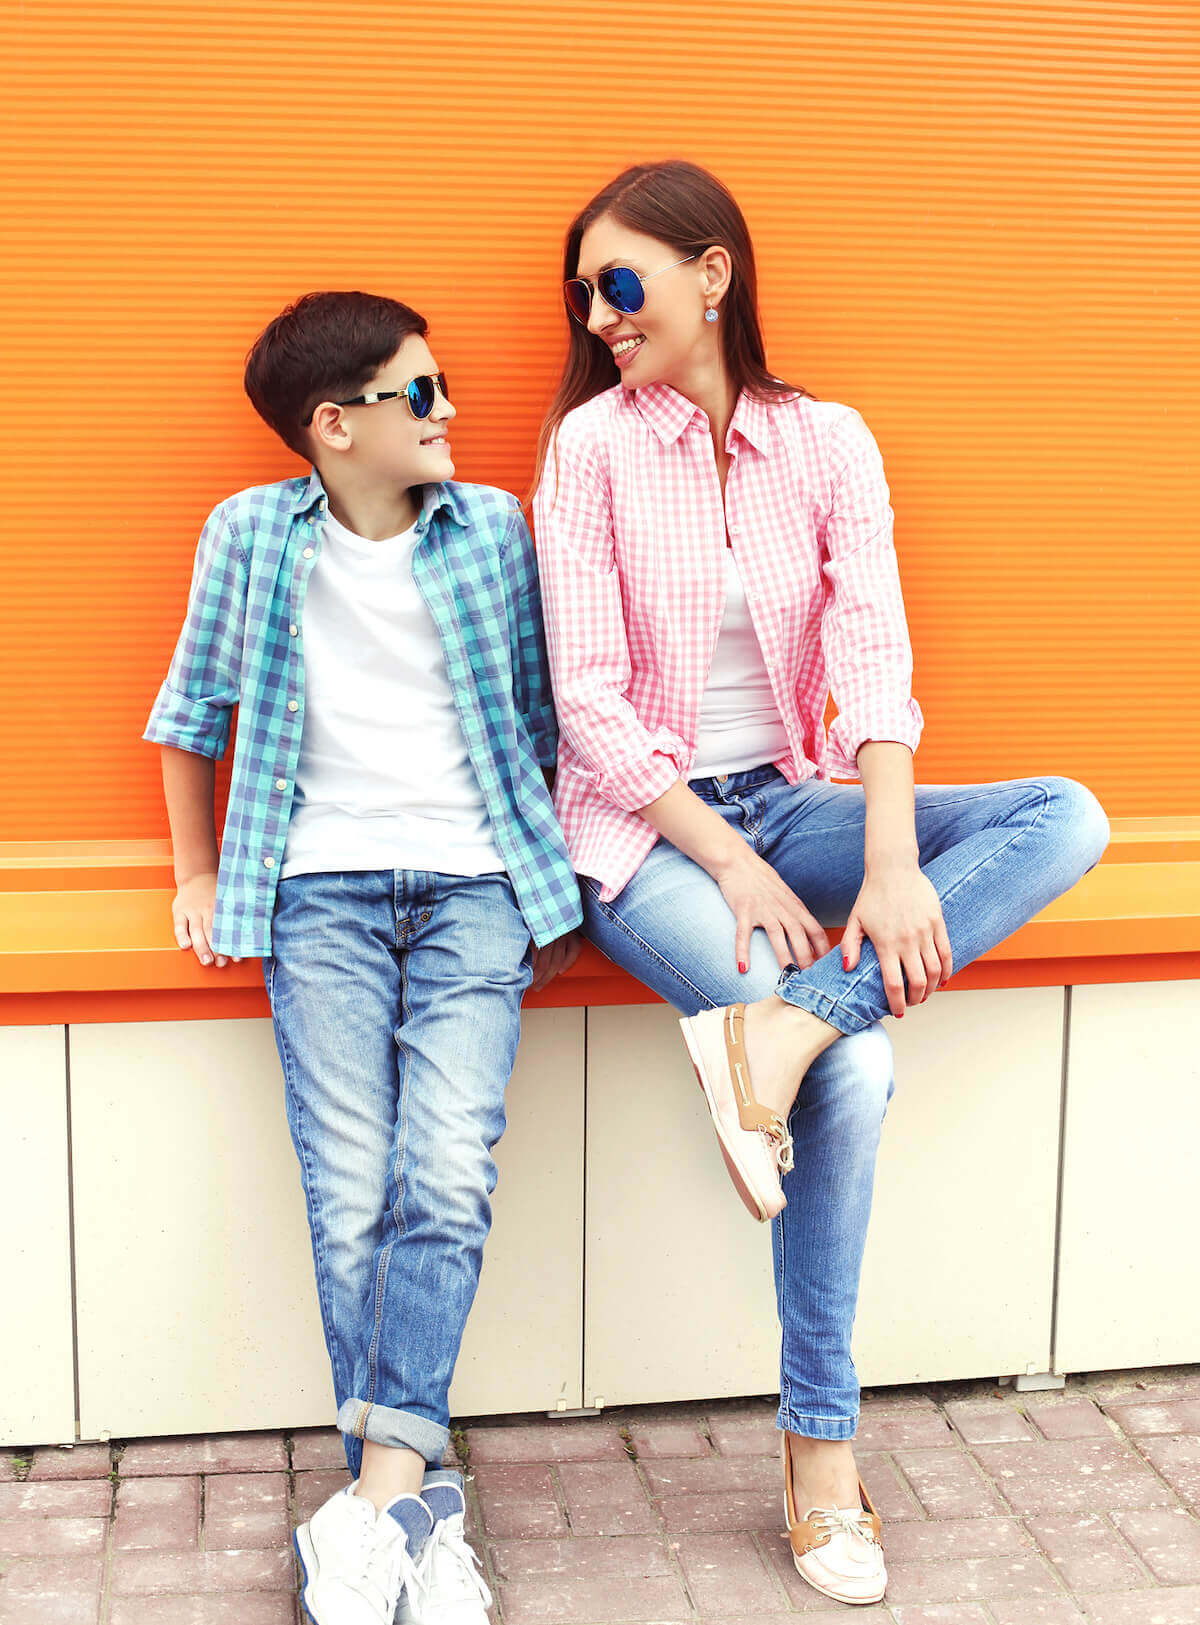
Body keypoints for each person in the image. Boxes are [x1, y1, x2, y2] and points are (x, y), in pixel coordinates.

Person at [532, 159, 1110, 1608]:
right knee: (854, 1080)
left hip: (799, 802)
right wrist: (723, 860)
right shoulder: (589, 450)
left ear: (711, 273)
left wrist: (899, 862)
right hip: (643, 834)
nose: (601, 316)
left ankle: (784, 1028)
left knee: (1066, 815)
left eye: (623, 282)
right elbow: (588, 706)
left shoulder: (828, 441)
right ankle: (822, 1453)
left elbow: (873, 662)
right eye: (583, 295)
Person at [145, 290, 582, 1625]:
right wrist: (201, 871)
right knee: (352, 1190)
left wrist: (552, 874)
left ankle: (378, 1498)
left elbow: (545, 710)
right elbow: (186, 715)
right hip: (316, 891)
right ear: (333, 426)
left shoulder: (493, 528)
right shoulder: (250, 537)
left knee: (441, 1167)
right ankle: (417, 1513)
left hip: (475, 887)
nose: (451, 412)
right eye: (422, 393)